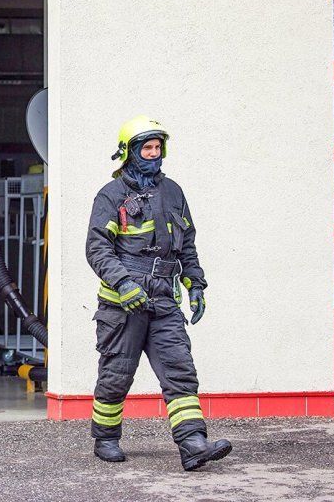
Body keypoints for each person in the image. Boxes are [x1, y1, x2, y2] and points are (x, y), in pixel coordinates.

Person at [85, 116, 232, 471]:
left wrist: (195, 283)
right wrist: (123, 284)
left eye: (157, 148)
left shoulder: (173, 192)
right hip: (123, 304)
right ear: (129, 153)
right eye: (146, 149)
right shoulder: (111, 195)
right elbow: (97, 248)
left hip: (164, 299)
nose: (153, 155)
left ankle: (193, 443)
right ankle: (105, 437)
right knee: (117, 372)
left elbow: (188, 246)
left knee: (179, 369)